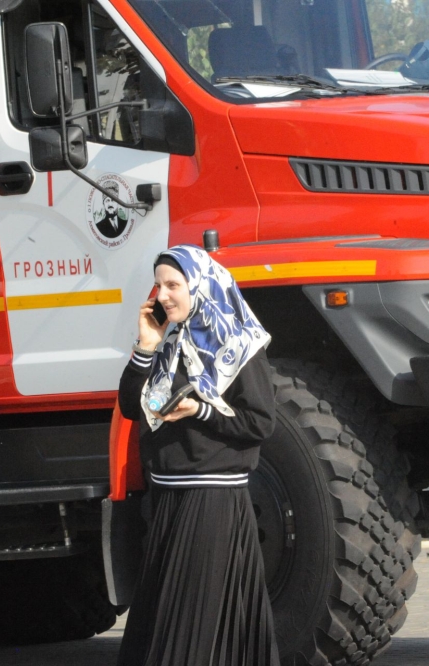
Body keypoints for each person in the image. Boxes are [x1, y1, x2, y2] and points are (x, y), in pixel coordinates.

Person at [116, 244, 280, 666]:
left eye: (174, 285)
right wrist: (145, 346)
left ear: (200, 286)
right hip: (168, 495)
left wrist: (201, 410)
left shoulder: (241, 346)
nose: (163, 295)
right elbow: (132, 406)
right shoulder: (168, 343)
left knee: (190, 620)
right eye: (159, 286)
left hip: (212, 497)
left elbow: (260, 423)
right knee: (167, 619)